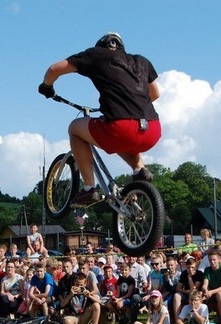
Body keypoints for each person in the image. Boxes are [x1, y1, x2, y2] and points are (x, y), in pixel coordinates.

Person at [38, 32, 161, 205]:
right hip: (152, 129)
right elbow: (155, 94)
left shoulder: (96, 55)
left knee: (75, 128)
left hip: (120, 128)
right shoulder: (141, 61)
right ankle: (139, 170)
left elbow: (54, 69)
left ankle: (89, 188)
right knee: (120, 139)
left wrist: (46, 86)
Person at [201, 250, 221, 324]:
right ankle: (201, 321)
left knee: (219, 295)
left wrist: (211, 292)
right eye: (210, 260)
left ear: (219, 259)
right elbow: (205, 284)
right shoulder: (207, 270)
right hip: (211, 291)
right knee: (198, 295)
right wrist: (205, 289)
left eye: (214, 260)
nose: (212, 262)